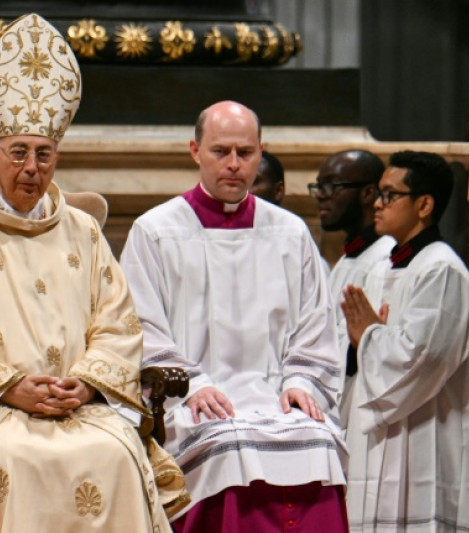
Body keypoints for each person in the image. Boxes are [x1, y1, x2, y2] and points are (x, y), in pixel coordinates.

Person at [0, 14, 187, 532]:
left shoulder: (82, 232)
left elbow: (118, 325)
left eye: (44, 155)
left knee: (115, 454)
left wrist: (86, 385)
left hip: (78, 406)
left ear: (56, 158)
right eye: (19, 153)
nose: (32, 168)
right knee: (16, 460)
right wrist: (10, 387)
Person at [121, 100, 348, 532]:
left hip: (275, 393)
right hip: (194, 398)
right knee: (229, 445)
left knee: (318, 441)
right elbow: (139, 325)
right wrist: (193, 385)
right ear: (195, 151)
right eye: (220, 151)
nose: (233, 164)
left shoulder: (289, 232)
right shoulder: (156, 231)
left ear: (261, 152)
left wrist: (301, 382)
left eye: (245, 153)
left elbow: (315, 325)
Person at [341, 150, 469, 531]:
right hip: (375, 447)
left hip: (425, 444)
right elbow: (359, 353)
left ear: (424, 205)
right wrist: (361, 344)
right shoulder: (379, 269)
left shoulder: (442, 272)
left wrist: (369, 336)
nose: (377, 203)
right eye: (378, 193)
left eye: (389, 195)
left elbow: (420, 361)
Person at [309, 149, 394, 428]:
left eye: (331, 185)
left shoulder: (386, 259)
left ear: (368, 194)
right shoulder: (347, 260)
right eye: (318, 186)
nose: (321, 195)